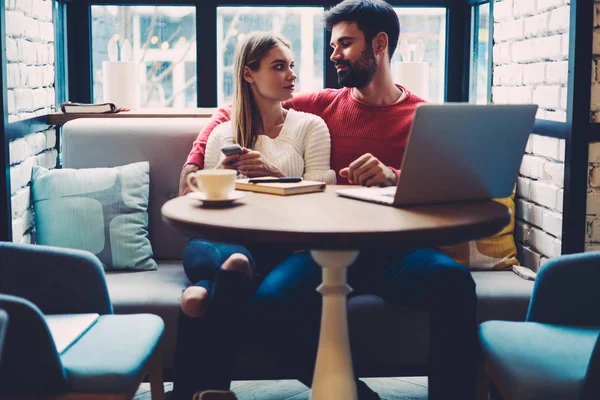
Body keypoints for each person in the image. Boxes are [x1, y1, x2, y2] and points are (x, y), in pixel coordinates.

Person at [180, 1, 478, 399]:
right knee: (271, 303)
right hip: (327, 249)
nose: (334, 54)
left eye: (345, 44)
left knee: (455, 282)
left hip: (397, 251)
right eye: (333, 45)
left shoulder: (424, 116)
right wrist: (199, 157)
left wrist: (395, 176)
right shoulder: (323, 105)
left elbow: (451, 188)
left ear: (380, 44)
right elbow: (239, 108)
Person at [171, 32, 336, 400]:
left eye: (291, 66)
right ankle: (232, 268)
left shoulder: (310, 127)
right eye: (279, 67)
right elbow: (201, 203)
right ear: (249, 74)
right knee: (224, 253)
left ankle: (202, 303)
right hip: (220, 239)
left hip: (283, 243)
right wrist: (222, 176)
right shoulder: (223, 134)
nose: (291, 75)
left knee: (210, 287)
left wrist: (273, 175)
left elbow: (325, 191)